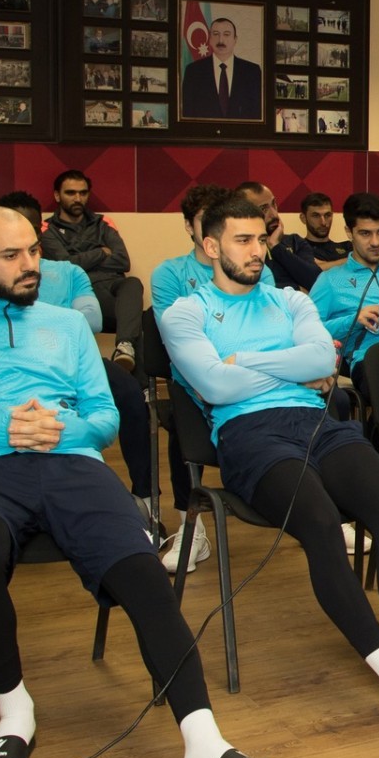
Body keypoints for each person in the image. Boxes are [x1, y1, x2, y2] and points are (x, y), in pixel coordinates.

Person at [0, 207, 279, 758]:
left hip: (71, 465)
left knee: (144, 570)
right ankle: (15, 715)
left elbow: (103, 421)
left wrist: (59, 429)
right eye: (10, 256)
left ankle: (203, 743)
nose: (29, 267)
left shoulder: (66, 326)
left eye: (33, 253)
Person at [161, 194, 379, 739]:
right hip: (247, 436)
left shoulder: (291, 301)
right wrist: (283, 371)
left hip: (317, 424)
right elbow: (212, 385)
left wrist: (243, 363)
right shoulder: (184, 312)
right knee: (321, 522)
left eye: (261, 238)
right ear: (211, 247)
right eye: (242, 240)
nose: (257, 250)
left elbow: (321, 361)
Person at [0, 192, 154, 523]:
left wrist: (36, 324)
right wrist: (60, 320)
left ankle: (146, 495)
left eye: (26, 228)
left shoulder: (68, 272)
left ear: (38, 229)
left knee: (128, 392)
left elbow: (92, 320)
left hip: (70, 358)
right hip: (9, 364)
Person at [149, 184, 229, 575]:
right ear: (188, 227)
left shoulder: (253, 268)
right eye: (204, 222)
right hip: (192, 378)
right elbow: (177, 340)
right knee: (183, 415)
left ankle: (326, 515)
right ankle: (190, 526)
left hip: (241, 374)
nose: (214, 230)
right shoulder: (170, 273)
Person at [38, 169, 141, 370]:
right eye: (70, 193)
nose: (78, 198)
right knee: (134, 323)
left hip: (112, 288)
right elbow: (65, 266)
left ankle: (125, 348)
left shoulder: (103, 223)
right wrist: (102, 252)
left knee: (133, 285)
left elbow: (122, 261)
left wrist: (81, 259)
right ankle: (139, 386)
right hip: (82, 293)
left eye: (83, 193)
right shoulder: (46, 229)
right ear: (57, 196)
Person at [310, 191, 379, 374]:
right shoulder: (330, 281)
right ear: (349, 232)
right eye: (365, 233)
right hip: (371, 362)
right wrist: (354, 320)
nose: (376, 242)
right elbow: (306, 332)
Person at [236, 182, 321, 292]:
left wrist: (276, 246)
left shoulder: (295, 242)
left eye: (274, 204)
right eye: (264, 209)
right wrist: (296, 289)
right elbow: (250, 290)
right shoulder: (241, 249)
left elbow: (317, 282)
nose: (274, 214)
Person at [179, 17, 262, 120]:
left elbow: (257, 113)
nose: (221, 40)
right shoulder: (193, 71)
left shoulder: (252, 71)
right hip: (203, 135)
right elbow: (187, 113)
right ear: (209, 39)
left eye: (226, 34)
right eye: (216, 34)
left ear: (235, 39)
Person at [299, 192, 348, 267]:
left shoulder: (347, 247)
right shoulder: (298, 248)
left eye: (327, 215)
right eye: (316, 216)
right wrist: (351, 261)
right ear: (303, 218)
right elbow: (313, 270)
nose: (323, 222)